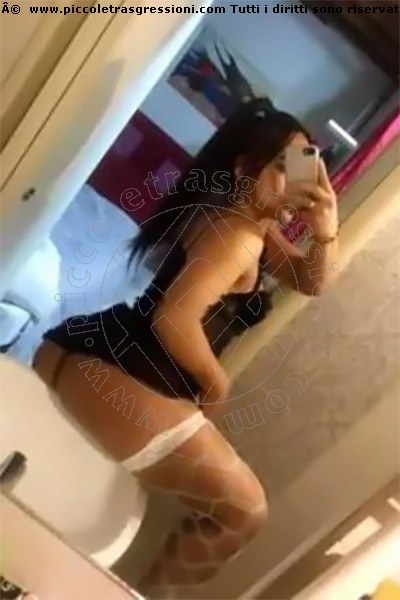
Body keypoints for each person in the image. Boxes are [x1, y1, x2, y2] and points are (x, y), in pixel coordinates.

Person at [33, 98, 338, 594]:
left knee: (237, 511)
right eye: (286, 168)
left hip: (101, 355)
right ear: (244, 169)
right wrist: (216, 387)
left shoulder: (255, 224)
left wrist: (325, 228)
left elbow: (312, 280)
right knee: (244, 514)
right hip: (122, 369)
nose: (301, 182)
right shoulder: (239, 234)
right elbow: (174, 318)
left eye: (307, 165)